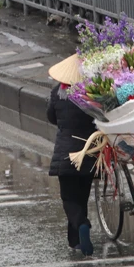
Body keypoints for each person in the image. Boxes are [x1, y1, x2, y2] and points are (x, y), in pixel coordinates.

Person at [46, 55, 97, 256]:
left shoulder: (57, 93)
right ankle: (75, 242)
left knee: (69, 198)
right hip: (89, 153)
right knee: (82, 198)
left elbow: (51, 117)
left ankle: (82, 225)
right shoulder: (92, 95)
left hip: (65, 155)